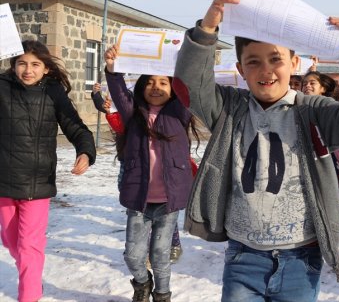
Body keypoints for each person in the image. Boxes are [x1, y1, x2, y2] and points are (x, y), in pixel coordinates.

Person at [172, 0, 339, 302]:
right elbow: (188, 87)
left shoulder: (314, 112)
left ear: (294, 64)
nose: (265, 69)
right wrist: (207, 28)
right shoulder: (230, 108)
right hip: (243, 257)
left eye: (275, 59)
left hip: (300, 259)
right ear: (241, 69)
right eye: (253, 61)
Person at [0, 39, 96, 302]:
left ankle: (29, 294)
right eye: (22, 64)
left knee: (29, 245)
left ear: (46, 68)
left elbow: (75, 126)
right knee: (10, 242)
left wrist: (85, 151)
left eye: (35, 64)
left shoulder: (54, 92)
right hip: (4, 180)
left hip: (38, 182)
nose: (28, 70)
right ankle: (31, 276)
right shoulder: (2, 87)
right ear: (13, 65)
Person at [104, 46, 198, 302]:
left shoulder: (178, 113)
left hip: (167, 200)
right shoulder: (133, 114)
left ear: (173, 88)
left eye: (164, 82)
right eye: (151, 82)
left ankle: (162, 295)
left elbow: (188, 91)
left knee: (160, 255)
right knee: (133, 256)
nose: (156, 87)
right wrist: (113, 69)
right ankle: (142, 284)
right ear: (142, 86)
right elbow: (119, 92)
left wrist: (186, 62)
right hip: (139, 199)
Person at [301, 70, 339, 209]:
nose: (307, 86)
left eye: (312, 83)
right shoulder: (297, 106)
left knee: (330, 196)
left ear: (323, 88)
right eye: (304, 83)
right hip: (303, 157)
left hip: (327, 155)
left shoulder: (330, 106)